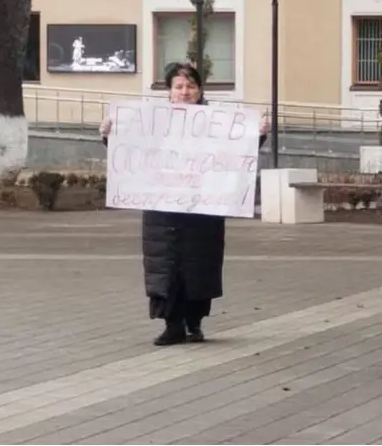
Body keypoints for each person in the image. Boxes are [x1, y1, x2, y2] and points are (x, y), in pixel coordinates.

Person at [99, 63, 269, 346]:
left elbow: (237, 153)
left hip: (203, 211)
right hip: (162, 211)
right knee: (165, 266)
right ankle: (172, 325)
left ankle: (194, 324)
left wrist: (259, 133)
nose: (185, 92)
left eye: (190, 86)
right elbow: (133, 155)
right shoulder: (151, 121)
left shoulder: (220, 122)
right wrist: (109, 135)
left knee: (199, 266)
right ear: (169, 92)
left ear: (200, 90)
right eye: (178, 86)